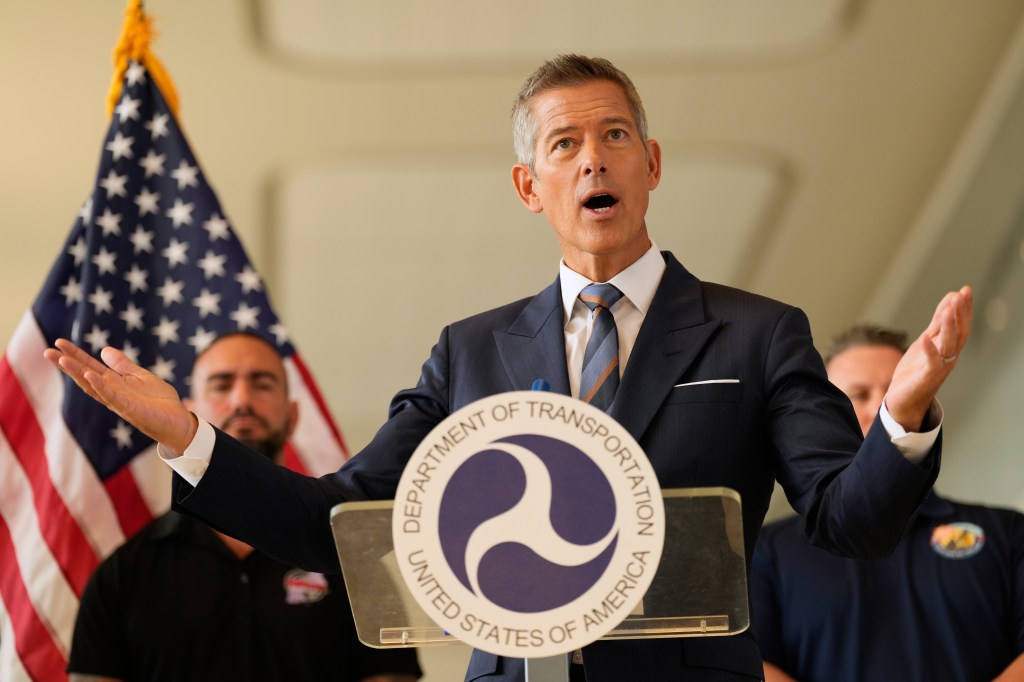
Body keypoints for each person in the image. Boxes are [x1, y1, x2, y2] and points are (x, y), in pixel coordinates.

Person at [46, 55, 974, 682]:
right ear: (531, 187)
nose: (592, 160)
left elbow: (845, 523)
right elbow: (337, 520)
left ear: (650, 164)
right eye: (563, 144)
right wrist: (184, 434)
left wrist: (904, 414)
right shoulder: (469, 351)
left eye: (614, 137)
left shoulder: (759, 333)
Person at [65, 332, 422, 682]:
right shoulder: (125, 572)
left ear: (293, 415)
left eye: (262, 384)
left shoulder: (346, 556)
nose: (241, 400)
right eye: (221, 385)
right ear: (187, 410)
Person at [751, 324, 1024, 682]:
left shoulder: (1007, 533)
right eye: (859, 394)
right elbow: (752, 667)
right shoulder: (767, 552)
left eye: (897, 391)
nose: (882, 408)